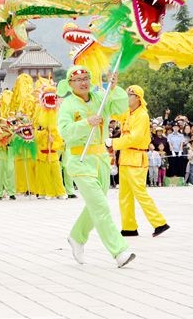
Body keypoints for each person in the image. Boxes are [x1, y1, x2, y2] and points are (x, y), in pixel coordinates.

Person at [56, 67, 134, 267]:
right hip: (80, 161)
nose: (83, 82)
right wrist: (85, 123)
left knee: (95, 205)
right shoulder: (68, 105)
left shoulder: (100, 97)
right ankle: (119, 251)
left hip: (101, 160)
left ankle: (77, 236)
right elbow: (65, 132)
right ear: (70, 84)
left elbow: (120, 108)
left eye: (86, 78)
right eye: (78, 80)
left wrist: (114, 88)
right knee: (100, 206)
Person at [112, 86, 169, 237]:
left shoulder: (142, 115)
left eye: (129, 95)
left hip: (136, 158)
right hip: (125, 158)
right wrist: (111, 91)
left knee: (140, 193)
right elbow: (113, 113)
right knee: (124, 196)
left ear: (137, 97)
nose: (127, 97)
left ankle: (160, 223)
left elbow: (134, 138)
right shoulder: (127, 113)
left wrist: (113, 143)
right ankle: (129, 227)